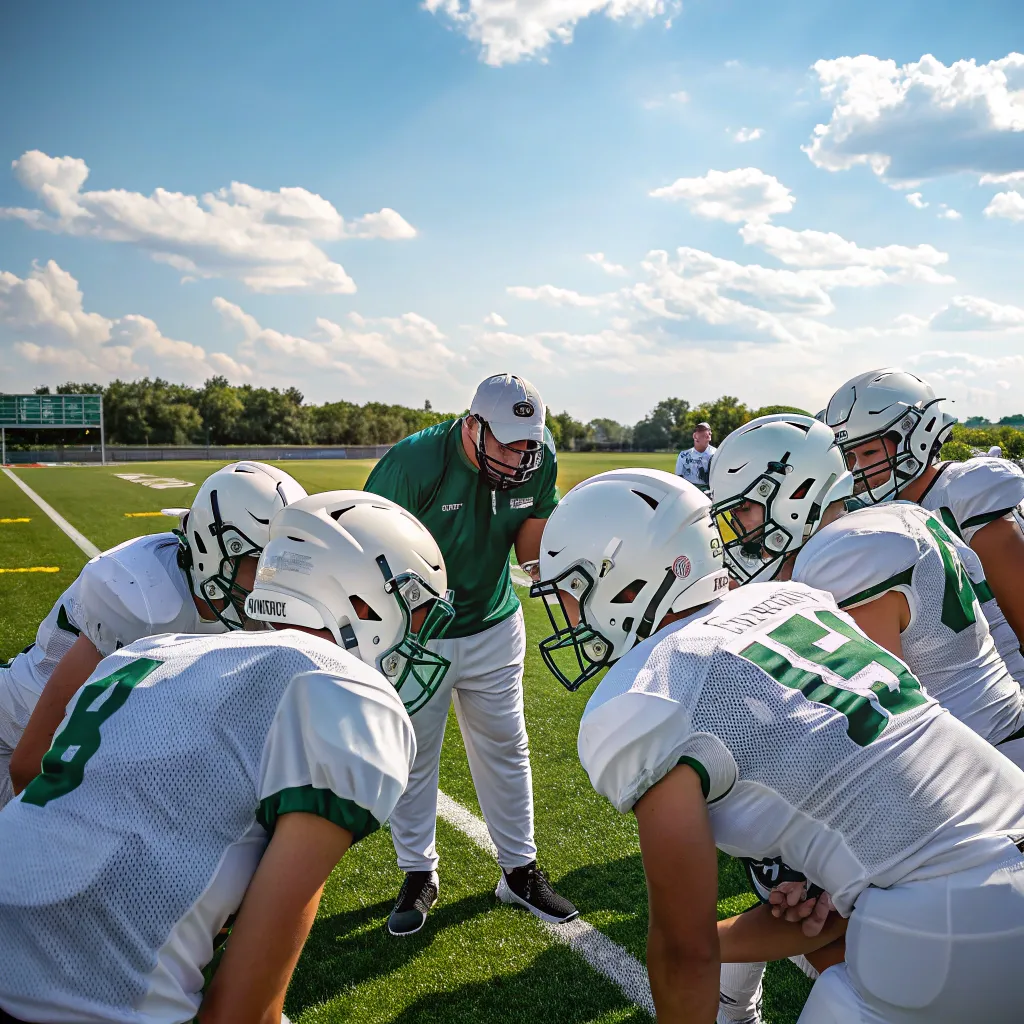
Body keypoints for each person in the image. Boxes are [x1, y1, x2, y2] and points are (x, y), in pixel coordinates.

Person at [532, 468, 1024, 1024]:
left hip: (960, 914)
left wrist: (689, 948)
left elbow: (683, 951)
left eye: (573, 592)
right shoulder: (793, 602)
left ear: (626, 585)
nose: (569, 615)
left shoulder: (650, 692)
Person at [0, 490, 457, 1024]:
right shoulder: (345, 691)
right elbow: (241, 1013)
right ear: (359, 601)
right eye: (418, 610)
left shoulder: (147, 652)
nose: (421, 636)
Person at [708, 413, 1024, 1021]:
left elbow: (875, 719)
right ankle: (731, 990)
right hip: (985, 756)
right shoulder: (892, 520)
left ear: (794, 495)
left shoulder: (843, 557)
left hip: (968, 789)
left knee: (789, 850)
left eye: (745, 511)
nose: (737, 531)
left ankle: (732, 986)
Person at [363, 372, 578, 936]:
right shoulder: (413, 464)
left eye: (528, 442)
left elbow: (531, 549)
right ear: (472, 424)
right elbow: (369, 550)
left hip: (492, 621)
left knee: (507, 745)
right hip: (417, 629)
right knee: (414, 754)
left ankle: (519, 869)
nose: (519, 456)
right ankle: (418, 871)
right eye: (507, 442)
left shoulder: (538, 458)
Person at [1, 461, 306, 806]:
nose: (275, 582)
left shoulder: (239, 598)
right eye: (263, 563)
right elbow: (28, 763)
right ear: (216, 550)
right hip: (14, 731)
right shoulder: (142, 599)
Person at [825, 368, 1024, 655]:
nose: (858, 469)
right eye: (850, 457)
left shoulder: (965, 492)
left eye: (869, 453)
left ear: (916, 434)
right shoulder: (876, 514)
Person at [675, 421, 716, 492]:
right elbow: (678, 478)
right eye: (705, 429)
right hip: (689, 492)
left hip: (710, 492)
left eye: (710, 430)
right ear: (695, 436)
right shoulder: (683, 455)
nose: (710, 432)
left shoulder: (716, 454)